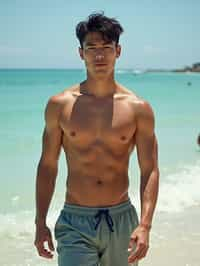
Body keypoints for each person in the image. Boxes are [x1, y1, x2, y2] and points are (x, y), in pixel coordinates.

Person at [34, 12, 159, 266]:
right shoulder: (60, 105)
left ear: (118, 51)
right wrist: (40, 222)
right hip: (75, 221)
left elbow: (150, 169)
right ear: (81, 53)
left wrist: (145, 225)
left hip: (122, 219)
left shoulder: (138, 108)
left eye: (106, 48)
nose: (99, 55)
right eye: (91, 48)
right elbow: (48, 165)